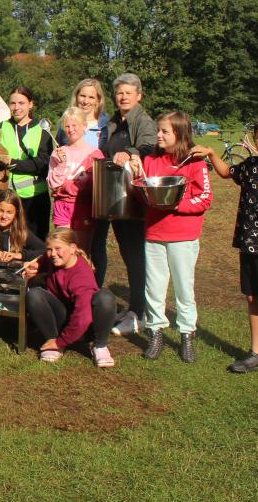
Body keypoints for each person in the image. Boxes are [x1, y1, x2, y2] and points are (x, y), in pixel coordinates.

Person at [194, 115, 258, 383]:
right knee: (253, 299)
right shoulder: (250, 165)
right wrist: (210, 152)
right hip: (249, 246)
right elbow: (227, 172)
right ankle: (256, 353)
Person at [133, 111, 211, 363]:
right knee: (153, 287)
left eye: (165, 131)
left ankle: (187, 334)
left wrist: (176, 204)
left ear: (179, 134)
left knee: (183, 287)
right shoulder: (151, 161)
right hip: (154, 232)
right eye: (159, 130)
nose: (158, 135)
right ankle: (155, 332)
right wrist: (136, 177)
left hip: (183, 235)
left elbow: (204, 198)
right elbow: (143, 194)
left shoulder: (194, 162)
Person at [104, 73, 157, 337]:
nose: (123, 97)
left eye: (128, 92)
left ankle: (142, 313)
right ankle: (136, 307)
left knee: (137, 256)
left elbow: (150, 146)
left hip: (135, 199)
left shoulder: (142, 120)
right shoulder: (116, 121)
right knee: (127, 254)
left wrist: (132, 152)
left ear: (139, 95)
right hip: (117, 197)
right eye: (119, 92)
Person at [23, 229, 118, 367]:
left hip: (85, 328)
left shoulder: (81, 276)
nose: (53, 254)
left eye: (57, 249)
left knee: (105, 297)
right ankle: (52, 338)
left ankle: (100, 345)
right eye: (49, 249)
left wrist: (61, 341)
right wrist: (38, 265)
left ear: (73, 248)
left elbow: (83, 317)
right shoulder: (54, 259)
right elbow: (44, 258)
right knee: (35, 294)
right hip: (64, 318)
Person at [47, 106, 104, 252]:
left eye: (75, 125)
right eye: (67, 126)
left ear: (84, 126)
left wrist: (66, 186)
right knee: (62, 249)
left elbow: (94, 187)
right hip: (62, 207)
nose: (71, 129)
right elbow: (53, 184)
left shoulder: (95, 155)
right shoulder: (59, 152)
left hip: (83, 207)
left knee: (81, 251)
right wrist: (62, 165)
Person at [0, 86, 53, 240]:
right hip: (7, 196)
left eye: (21, 103)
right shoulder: (1, 127)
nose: (16, 108)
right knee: (8, 240)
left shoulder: (42, 130)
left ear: (30, 104)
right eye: (13, 103)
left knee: (35, 241)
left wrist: (14, 164)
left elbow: (43, 164)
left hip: (35, 197)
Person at [57, 78, 109, 149]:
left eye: (91, 97)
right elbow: (57, 152)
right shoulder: (65, 123)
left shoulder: (106, 126)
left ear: (98, 100)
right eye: (82, 96)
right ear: (76, 96)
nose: (86, 101)